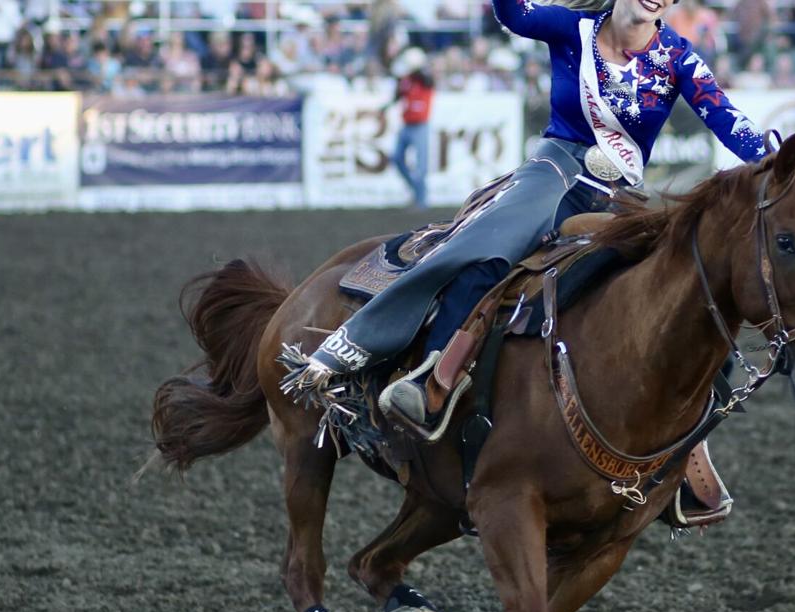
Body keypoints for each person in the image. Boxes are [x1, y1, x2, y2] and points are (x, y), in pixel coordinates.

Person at [283, 0, 769, 526]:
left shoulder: (678, 57)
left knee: (686, 295)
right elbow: (514, 15)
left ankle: (681, 451)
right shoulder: (574, 28)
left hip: (620, 197)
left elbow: (724, 116)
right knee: (492, 246)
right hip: (554, 172)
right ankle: (430, 378)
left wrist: (775, 159)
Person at [385, 47, 435, 211]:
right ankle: (417, 192)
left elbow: (427, 78)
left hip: (420, 126)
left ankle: (421, 200)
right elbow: (398, 95)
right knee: (397, 158)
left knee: (420, 166)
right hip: (407, 125)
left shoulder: (424, 79)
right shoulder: (407, 80)